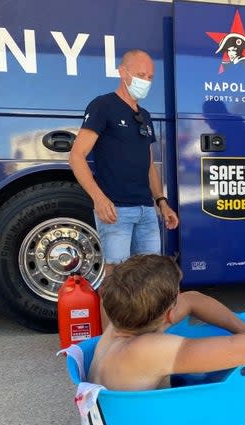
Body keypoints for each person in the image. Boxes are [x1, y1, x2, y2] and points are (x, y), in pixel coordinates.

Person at [88, 254, 245, 391]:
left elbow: (193, 300)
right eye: (178, 293)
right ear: (169, 314)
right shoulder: (145, 349)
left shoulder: (122, 322)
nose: (181, 295)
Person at [69, 49, 179, 278]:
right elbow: (77, 156)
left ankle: (147, 317)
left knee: (151, 278)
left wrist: (161, 202)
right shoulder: (103, 106)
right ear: (123, 72)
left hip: (146, 211)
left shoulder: (145, 116)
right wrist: (99, 199)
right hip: (116, 211)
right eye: (141, 75)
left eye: (150, 77)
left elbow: (149, 165)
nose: (145, 81)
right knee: (115, 279)